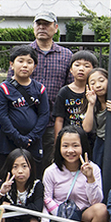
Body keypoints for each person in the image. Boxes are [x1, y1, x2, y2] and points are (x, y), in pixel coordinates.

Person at [38, 125, 107, 222]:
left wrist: (90, 179)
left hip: (82, 219)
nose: (70, 150)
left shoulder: (93, 169)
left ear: (83, 146)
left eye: (75, 145)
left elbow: (96, 202)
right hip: (59, 219)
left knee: (101, 210)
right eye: (65, 146)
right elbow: (46, 200)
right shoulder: (51, 171)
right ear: (59, 148)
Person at [0, 46, 49, 183]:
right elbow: (2, 116)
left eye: (29, 62)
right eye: (20, 61)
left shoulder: (40, 88)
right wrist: (18, 138)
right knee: (5, 180)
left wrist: (31, 137)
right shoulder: (4, 88)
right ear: (12, 64)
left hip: (33, 144)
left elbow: (44, 115)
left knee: (32, 179)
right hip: (8, 143)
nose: (25, 65)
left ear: (34, 66)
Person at [30, 11, 73, 170]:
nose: (41, 27)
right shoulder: (25, 53)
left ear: (55, 28)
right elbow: (11, 85)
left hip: (54, 120)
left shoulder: (66, 55)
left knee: (51, 163)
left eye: (46, 24)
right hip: (28, 119)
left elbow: (71, 88)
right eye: (38, 24)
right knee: (28, 164)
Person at [0, 149, 43, 222]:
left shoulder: (37, 185)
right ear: (10, 169)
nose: (20, 171)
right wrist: (1, 193)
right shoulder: (4, 184)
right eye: (15, 167)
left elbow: (37, 208)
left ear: (31, 168)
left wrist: (10, 206)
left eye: (24, 166)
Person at [52, 50, 99, 134]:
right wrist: (58, 141)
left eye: (86, 66)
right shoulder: (64, 92)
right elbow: (59, 120)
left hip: (91, 138)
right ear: (71, 69)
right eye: (77, 65)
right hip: (69, 136)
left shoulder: (95, 91)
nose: (81, 69)